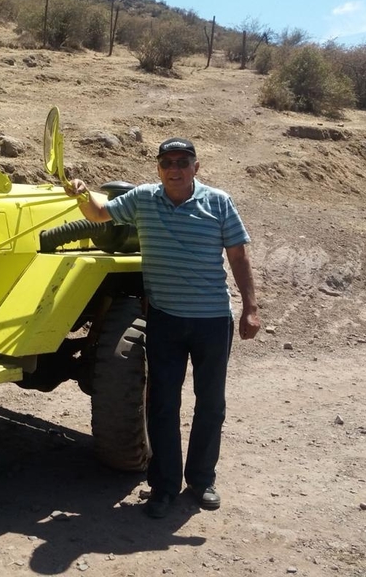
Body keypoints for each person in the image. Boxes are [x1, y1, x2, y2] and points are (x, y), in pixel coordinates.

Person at [66, 137, 260, 519]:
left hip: (211, 320)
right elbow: (99, 213)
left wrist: (250, 308)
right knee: (163, 404)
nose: (175, 169)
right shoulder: (143, 199)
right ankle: (164, 486)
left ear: (195, 167)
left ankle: (201, 481)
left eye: (182, 161)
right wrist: (81, 194)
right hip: (165, 319)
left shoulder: (219, 202)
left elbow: (238, 255)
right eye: (167, 162)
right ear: (158, 168)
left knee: (211, 404)